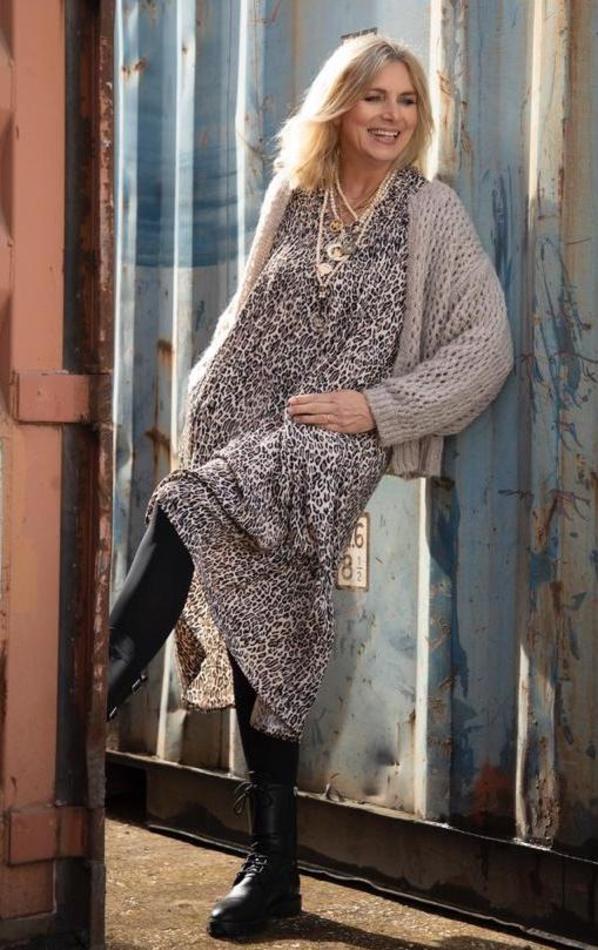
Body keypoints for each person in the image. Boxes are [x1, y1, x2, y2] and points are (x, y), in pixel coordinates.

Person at [106, 32, 514, 940]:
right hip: (246, 427)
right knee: (268, 626)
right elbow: (245, 315)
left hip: (331, 446)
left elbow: (486, 350)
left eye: (407, 100)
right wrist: (207, 399)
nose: (392, 116)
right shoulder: (296, 194)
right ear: (340, 104)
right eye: (375, 97)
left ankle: (85, 702)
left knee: (182, 508)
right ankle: (275, 870)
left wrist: (377, 408)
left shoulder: (430, 213)